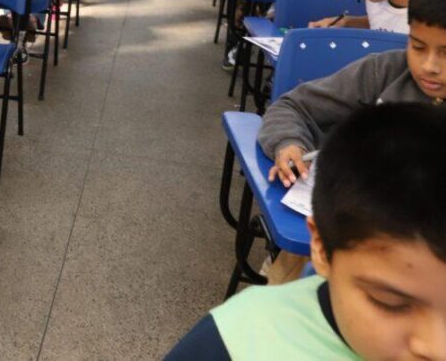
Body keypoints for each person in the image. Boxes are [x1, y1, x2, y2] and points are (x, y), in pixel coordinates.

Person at [167, 102, 446, 360]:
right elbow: (294, 106)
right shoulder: (239, 339)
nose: (437, 348)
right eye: (391, 303)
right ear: (322, 247)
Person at [259, 0, 446, 187]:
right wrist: (289, 142)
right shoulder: (384, 71)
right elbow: (292, 107)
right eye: (417, 47)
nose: (429, 66)